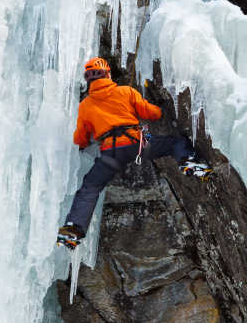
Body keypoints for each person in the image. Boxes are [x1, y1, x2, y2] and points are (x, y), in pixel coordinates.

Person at [56, 57, 211, 249]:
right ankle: (188, 162)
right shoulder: (125, 91)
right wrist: (161, 111)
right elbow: (149, 112)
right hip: (137, 145)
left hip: (110, 154)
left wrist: (80, 146)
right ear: (107, 74)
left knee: (90, 187)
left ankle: (74, 229)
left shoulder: (86, 105)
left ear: (88, 79)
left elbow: (81, 137)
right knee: (175, 143)